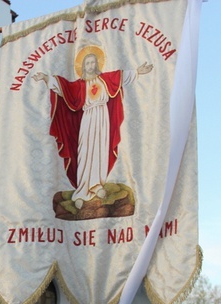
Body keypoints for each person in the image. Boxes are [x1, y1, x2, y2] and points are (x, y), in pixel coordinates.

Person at [33, 48, 154, 208]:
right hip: (88, 118)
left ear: (97, 64)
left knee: (100, 150)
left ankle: (97, 185)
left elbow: (121, 77)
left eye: (92, 62)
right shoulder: (79, 85)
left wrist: (138, 71)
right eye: (87, 63)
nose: (90, 65)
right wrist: (46, 78)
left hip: (103, 118)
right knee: (85, 151)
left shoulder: (105, 79)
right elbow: (63, 87)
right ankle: (82, 189)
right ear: (83, 66)